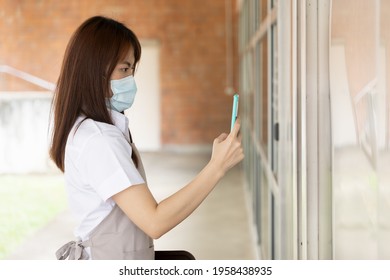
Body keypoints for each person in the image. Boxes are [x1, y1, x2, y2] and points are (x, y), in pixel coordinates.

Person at [50, 15, 244, 260]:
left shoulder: (97, 129)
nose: (131, 78)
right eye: (124, 68)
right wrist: (217, 166)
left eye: (131, 69)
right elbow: (154, 222)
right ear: (94, 71)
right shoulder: (99, 140)